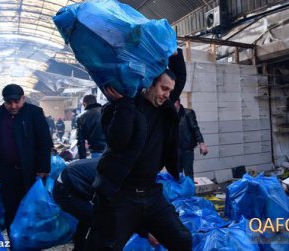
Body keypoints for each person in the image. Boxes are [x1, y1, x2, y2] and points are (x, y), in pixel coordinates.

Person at [91, 49, 192, 251]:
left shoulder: (164, 106)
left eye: (170, 91)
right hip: (119, 196)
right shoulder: (117, 108)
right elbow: (119, 142)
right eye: (164, 89)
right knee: (106, 247)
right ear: (149, 84)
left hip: (150, 193)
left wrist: (173, 52)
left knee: (182, 239)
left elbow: (178, 77)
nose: (168, 95)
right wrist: (124, 104)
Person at [0, 84, 53, 232]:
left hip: (30, 171)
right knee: (10, 208)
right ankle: (15, 242)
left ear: (23, 98)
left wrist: (44, 167)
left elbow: (45, 141)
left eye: (16, 101)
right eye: (9, 102)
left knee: (29, 209)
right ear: (4, 101)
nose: (13, 106)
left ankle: (30, 242)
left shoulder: (34, 112)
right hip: (6, 172)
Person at [53, 158, 159, 251]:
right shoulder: (121, 178)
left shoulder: (122, 165)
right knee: (100, 222)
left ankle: (80, 248)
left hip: (74, 185)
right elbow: (124, 211)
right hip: (67, 189)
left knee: (89, 219)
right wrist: (146, 233)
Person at [174, 99, 208, 180]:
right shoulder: (171, 115)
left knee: (188, 174)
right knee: (177, 175)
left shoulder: (188, 113)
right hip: (175, 151)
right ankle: (180, 192)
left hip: (187, 150)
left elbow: (195, 129)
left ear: (177, 102)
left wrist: (202, 143)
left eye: (172, 102)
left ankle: (189, 192)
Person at [76, 95, 106, 159]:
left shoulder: (81, 117)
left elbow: (80, 141)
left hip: (96, 152)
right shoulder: (106, 111)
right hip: (111, 151)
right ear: (95, 101)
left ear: (84, 103)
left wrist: (82, 158)